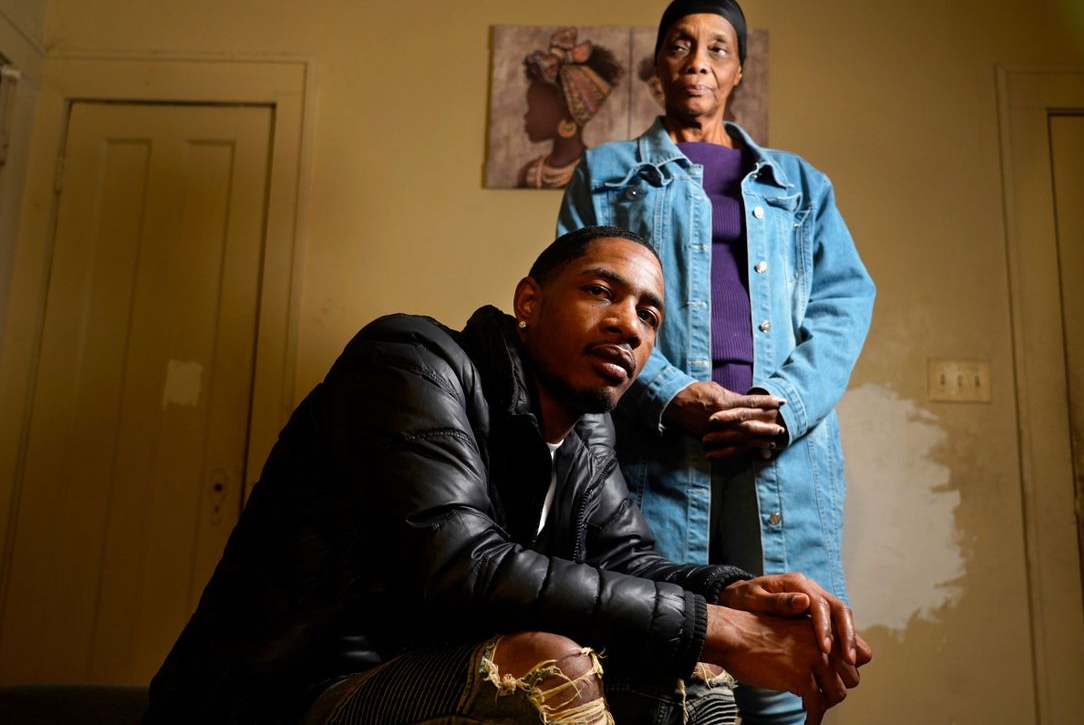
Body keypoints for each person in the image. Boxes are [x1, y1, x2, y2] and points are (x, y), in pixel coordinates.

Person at [142, 226, 869, 725]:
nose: (629, 324)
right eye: (600, 292)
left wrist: (730, 591)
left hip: (422, 671)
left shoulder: (586, 429)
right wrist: (721, 627)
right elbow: (461, 568)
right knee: (544, 662)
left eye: (649, 315)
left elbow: (631, 562)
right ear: (530, 302)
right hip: (287, 695)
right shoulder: (411, 361)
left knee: (690, 666)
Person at [557, 0, 876, 725]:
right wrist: (670, 394)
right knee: (664, 668)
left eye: (717, 49)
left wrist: (785, 407)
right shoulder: (607, 171)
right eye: (679, 45)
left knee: (787, 663)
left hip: (782, 454)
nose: (697, 62)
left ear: (739, 72)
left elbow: (842, 303)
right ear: (656, 67)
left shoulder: (802, 185)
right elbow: (585, 299)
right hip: (656, 451)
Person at [519, 27, 624, 188]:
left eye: (533, 108)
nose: (526, 116)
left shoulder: (598, 176)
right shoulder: (529, 173)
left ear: (567, 115)